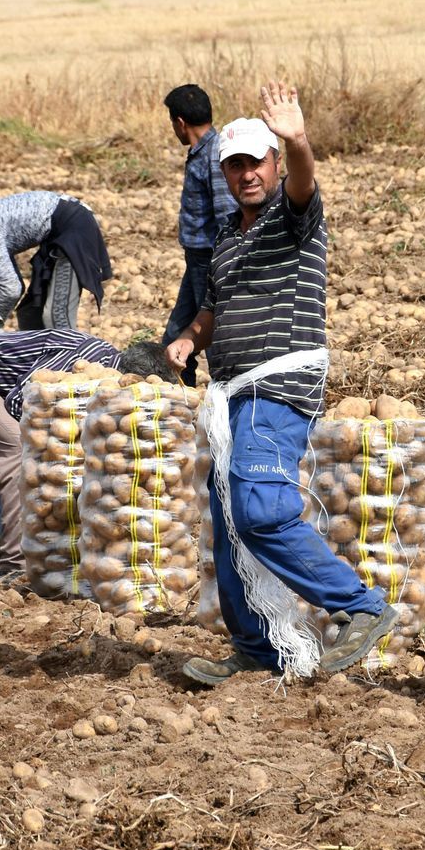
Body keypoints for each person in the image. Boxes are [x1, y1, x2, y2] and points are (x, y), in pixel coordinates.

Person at [165, 83, 395, 685]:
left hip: (279, 385)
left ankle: (360, 607)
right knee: (230, 524)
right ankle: (257, 649)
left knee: (261, 508)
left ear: (271, 164)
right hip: (232, 395)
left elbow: (303, 183)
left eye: (256, 161)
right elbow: (214, 309)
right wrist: (192, 336)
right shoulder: (223, 241)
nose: (246, 174)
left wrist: (297, 140)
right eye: (235, 164)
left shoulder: (292, 220)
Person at [0, 330, 174, 578]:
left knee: (31, 455)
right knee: (19, 453)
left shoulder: (100, 375)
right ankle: (15, 566)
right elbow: (20, 398)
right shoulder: (95, 359)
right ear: (135, 377)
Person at [163, 84, 238, 385]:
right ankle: (180, 398)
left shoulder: (212, 155)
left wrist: (221, 266)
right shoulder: (202, 151)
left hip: (208, 260)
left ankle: (223, 397)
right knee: (177, 333)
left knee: (210, 333)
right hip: (196, 259)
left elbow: (224, 213)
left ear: (180, 122)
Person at [0, 191, 111, 329]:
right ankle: (38, 363)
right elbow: (15, 286)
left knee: (57, 315)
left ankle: (71, 362)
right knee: (30, 314)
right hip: (58, 230)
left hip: (74, 227)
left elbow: (11, 289)